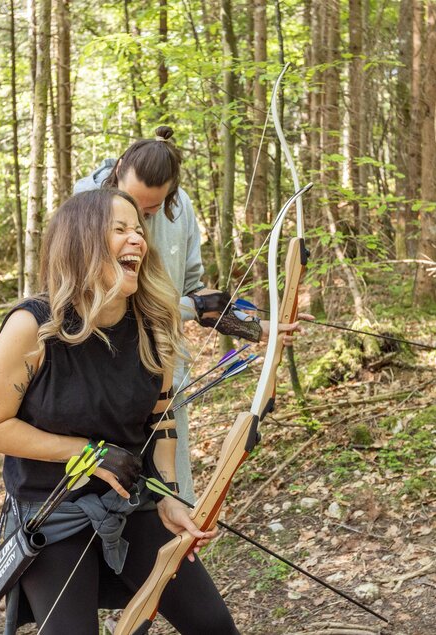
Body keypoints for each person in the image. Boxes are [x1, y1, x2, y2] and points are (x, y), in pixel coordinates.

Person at [0, 189, 239, 634]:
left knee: (212, 625)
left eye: (139, 229)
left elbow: (161, 415)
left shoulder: (154, 320)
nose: (137, 239)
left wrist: (169, 494)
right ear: (82, 242)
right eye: (120, 230)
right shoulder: (34, 325)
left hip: (130, 503)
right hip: (52, 514)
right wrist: (88, 453)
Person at [74, 125, 308, 503]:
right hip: (102, 372)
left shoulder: (179, 206)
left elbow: (194, 291)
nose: (140, 219)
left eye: (149, 210)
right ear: (118, 170)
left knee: (172, 489)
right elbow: (98, 294)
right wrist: (193, 307)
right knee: (108, 494)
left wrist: (256, 328)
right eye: (132, 205)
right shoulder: (84, 204)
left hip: (162, 369)